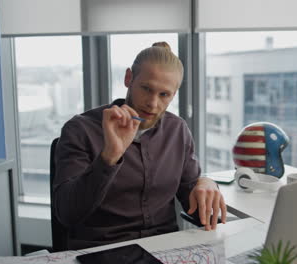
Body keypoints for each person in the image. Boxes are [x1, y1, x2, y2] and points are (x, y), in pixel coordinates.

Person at [53, 42, 226, 250]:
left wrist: (206, 183)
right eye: (146, 89)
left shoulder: (177, 130)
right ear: (129, 79)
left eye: (164, 95)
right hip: (102, 250)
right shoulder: (80, 130)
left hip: (164, 248)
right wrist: (109, 157)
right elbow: (67, 214)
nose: (152, 104)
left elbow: (194, 203)